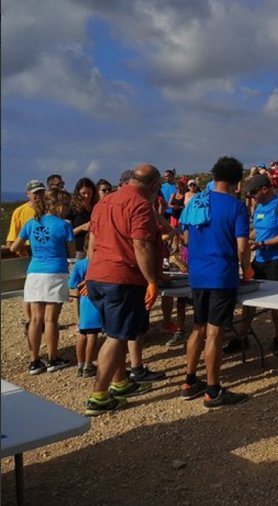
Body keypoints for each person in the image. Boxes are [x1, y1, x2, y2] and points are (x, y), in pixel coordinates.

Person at [82, 164, 161, 415]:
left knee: (114, 331)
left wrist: (89, 272)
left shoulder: (103, 203)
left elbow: (92, 241)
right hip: (122, 277)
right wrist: (151, 280)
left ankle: (120, 382)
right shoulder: (141, 205)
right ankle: (99, 396)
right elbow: (141, 245)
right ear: (154, 185)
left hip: (97, 276)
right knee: (117, 336)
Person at [180, 156, 251, 409]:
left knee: (197, 327)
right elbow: (242, 248)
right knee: (215, 332)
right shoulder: (237, 207)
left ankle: (189, 381)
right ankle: (213, 390)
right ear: (236, 182)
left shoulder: (195, 201)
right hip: (221, 275)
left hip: (197, 274)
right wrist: (247, 268)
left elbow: (186, 237)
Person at [10, 188, 76, 374]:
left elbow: (15, 246)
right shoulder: (64, 225)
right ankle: (53, 359)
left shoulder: (31, 223)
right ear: (57, 205)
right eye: (65, 205)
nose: (67, 209)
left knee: (35, 319)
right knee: (51, 320)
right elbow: (71, 253)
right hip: (56, 271)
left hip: (34, 272)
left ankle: (34, 361)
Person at [231, 173, 278, 355]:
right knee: (248, 298)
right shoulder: (259, 207)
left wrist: (263, 244)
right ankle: (242, 337)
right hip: (259, 259)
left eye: (253, 192)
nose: (251, 196)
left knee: (277, 301)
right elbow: (256, 231)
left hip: (277, 260)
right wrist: (241, 238)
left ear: (265, 189)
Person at [6, 180, 46, 338]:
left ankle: (42, 321)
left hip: (45, 257)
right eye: (35, 192)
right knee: (29, 292)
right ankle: (31, 321)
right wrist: (22, 256)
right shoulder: (19, 212)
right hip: (26, 256)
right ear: (27, 194)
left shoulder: (49, 211)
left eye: (41, 192)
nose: (39, 195)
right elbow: (12, 239)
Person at [69, 236, 102, 377]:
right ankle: (89, 365)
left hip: (83, 301)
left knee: (82, 334)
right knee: (92, 335)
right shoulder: (100, 264)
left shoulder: (80, 265)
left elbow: (72, 284)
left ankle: (80, 364)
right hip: (95, 302)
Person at [68, 177, 99, 259]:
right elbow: (67, 233)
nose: (87, 196)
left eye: (89, 193)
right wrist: (82, 227)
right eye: (83, 193)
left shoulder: (97, 207)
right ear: (78, 193)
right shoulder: (72, 209)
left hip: (96, 248)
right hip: (78, 250)